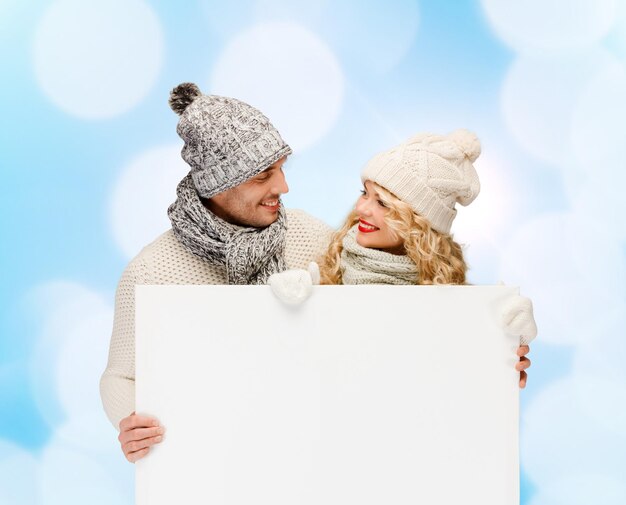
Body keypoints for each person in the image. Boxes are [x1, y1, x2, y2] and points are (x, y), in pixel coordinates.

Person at [100, 83, 332, 463]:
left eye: (281, 169)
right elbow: (120, 376)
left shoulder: (313, 238)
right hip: (211, 466)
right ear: (217, 185)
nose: (283, 187)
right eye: (263, 176)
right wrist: (130, 421)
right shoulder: (151, 271)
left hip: (309, 455)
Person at [270, 129, 536, 384]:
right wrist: (289, 308)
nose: (361, 208)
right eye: (365, 193)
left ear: (419, 223)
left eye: (382, 202)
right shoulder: (323, 263)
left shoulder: (449, 300)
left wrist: (506, 344)